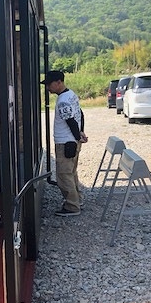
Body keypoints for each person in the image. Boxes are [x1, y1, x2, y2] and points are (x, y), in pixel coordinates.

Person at [41, 70, 88, 216]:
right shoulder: (71, 95)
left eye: (49, 84)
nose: (48, 88)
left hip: (65, 143)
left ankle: (72, 206)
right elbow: (80, 114)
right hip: (72, 141)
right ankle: (78, 200)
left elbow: (70, 120)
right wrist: (80, 132)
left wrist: (78, 135)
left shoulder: (63, 101)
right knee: (71, 173)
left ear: (59, 82)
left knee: (63, 176)